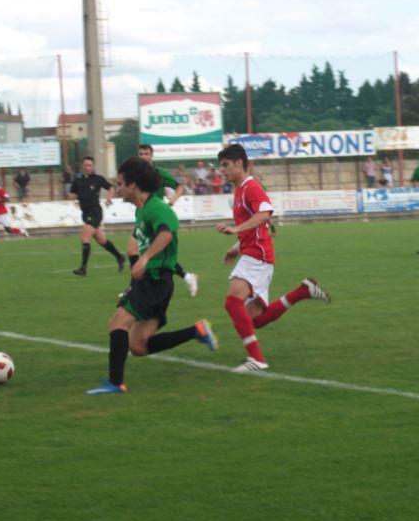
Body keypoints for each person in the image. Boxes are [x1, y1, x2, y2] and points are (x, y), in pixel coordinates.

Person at [85, 157, 218, 395]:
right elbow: (143, 241)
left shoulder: (157, 207)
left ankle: (115, 383)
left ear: (133, 185)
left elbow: (167, 233)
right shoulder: (142, 210)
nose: (119, 188)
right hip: (156, 283)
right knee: (138, 346)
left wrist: (144, 260)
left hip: (155, 280)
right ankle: (196, 331)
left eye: (121, 183)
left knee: (117, 323)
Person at [215, 143, 330, 372]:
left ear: (239, 163)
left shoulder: (250, 187)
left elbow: (265, 213)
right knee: (256, 319)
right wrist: (236, 247)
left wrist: (236, 231)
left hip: (258, 256)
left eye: (226, 165)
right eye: (221, 167)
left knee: (232, 301)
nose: (223, 171)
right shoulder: (239, 190)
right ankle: (303, 291)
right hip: (253, 254)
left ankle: (256, 359)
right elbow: (254, 226)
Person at [130, 144, 199, 297]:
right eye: (141, 154)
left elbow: (179, 187)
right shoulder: (136, 174)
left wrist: (172, 200)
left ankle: (135, 288)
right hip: (141, 216)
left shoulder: (159, 173)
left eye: (146, 154)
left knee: (145, 252)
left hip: (155, 219)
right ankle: (188, 277)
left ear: (151, 155)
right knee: (136, 250)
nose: (143, 157)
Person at [68, 156, 126, 277]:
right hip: (85, 213)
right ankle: (120, 257)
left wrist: (109, 198)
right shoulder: (78, 179)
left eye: (90, 165)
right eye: (86, 165)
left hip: (95, 212)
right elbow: (72, 194)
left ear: (93, 166)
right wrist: (73, 195)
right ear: (82, 167)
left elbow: (111, 187)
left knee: (84, 239)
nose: (88, 167)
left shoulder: (97, 179)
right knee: (102, 240)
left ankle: (83, 268)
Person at [0, 178, 28, 253]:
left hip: (3, 214)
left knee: (8, 230)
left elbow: (7, 199)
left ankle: (22, 230)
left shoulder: (1, 190)